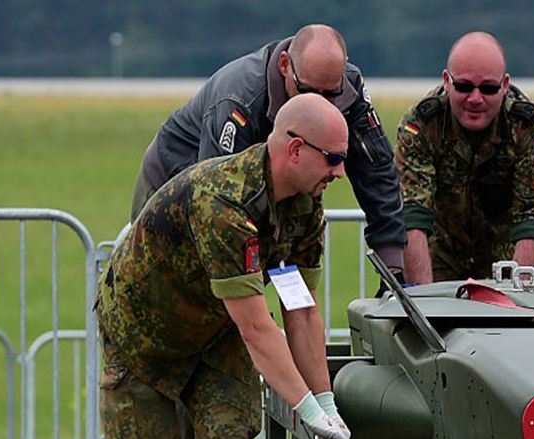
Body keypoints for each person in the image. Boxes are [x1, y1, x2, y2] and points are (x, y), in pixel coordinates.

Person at [97, 94, 352, 439]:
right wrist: (304, 411)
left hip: (216, 335)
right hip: (141, 341)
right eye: (333, 159)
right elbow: (259, 328)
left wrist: (326, 404)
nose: (340, 172)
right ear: (295, 149)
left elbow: (301, 309)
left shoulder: (304, 208)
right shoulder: (222, 201)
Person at [131, 23, 407, 277]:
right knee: (187, 284)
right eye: (307, 91)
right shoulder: (239, 99)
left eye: (331, 95)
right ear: (285, 65)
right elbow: (216, 204)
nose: (320, 103)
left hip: (256, 188)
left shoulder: (347, 86)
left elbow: (376, 167)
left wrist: (392, 268)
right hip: (175, 178)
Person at [395, 31, 534, 283]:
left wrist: (516, 299)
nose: (475, 99)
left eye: (489, 89)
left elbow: (532, 223)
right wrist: (420, 299)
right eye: (464, 87)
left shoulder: (529, 127)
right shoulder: (422, 125)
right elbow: (412, 217)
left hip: (505, 262)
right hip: (436, 256)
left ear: (505, 85)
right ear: (447, 81)